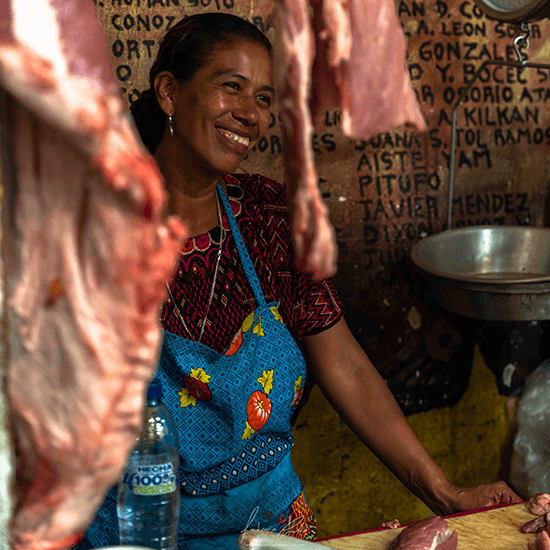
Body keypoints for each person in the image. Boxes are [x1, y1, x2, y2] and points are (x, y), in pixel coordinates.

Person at [78, 12, 521, 550]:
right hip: (139, 529)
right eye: (231, 87)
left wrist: (446, 494)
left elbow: (345, 365)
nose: (249, 114)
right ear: (170, 92)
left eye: (264, 98)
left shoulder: (269, 217)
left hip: (272, 529)